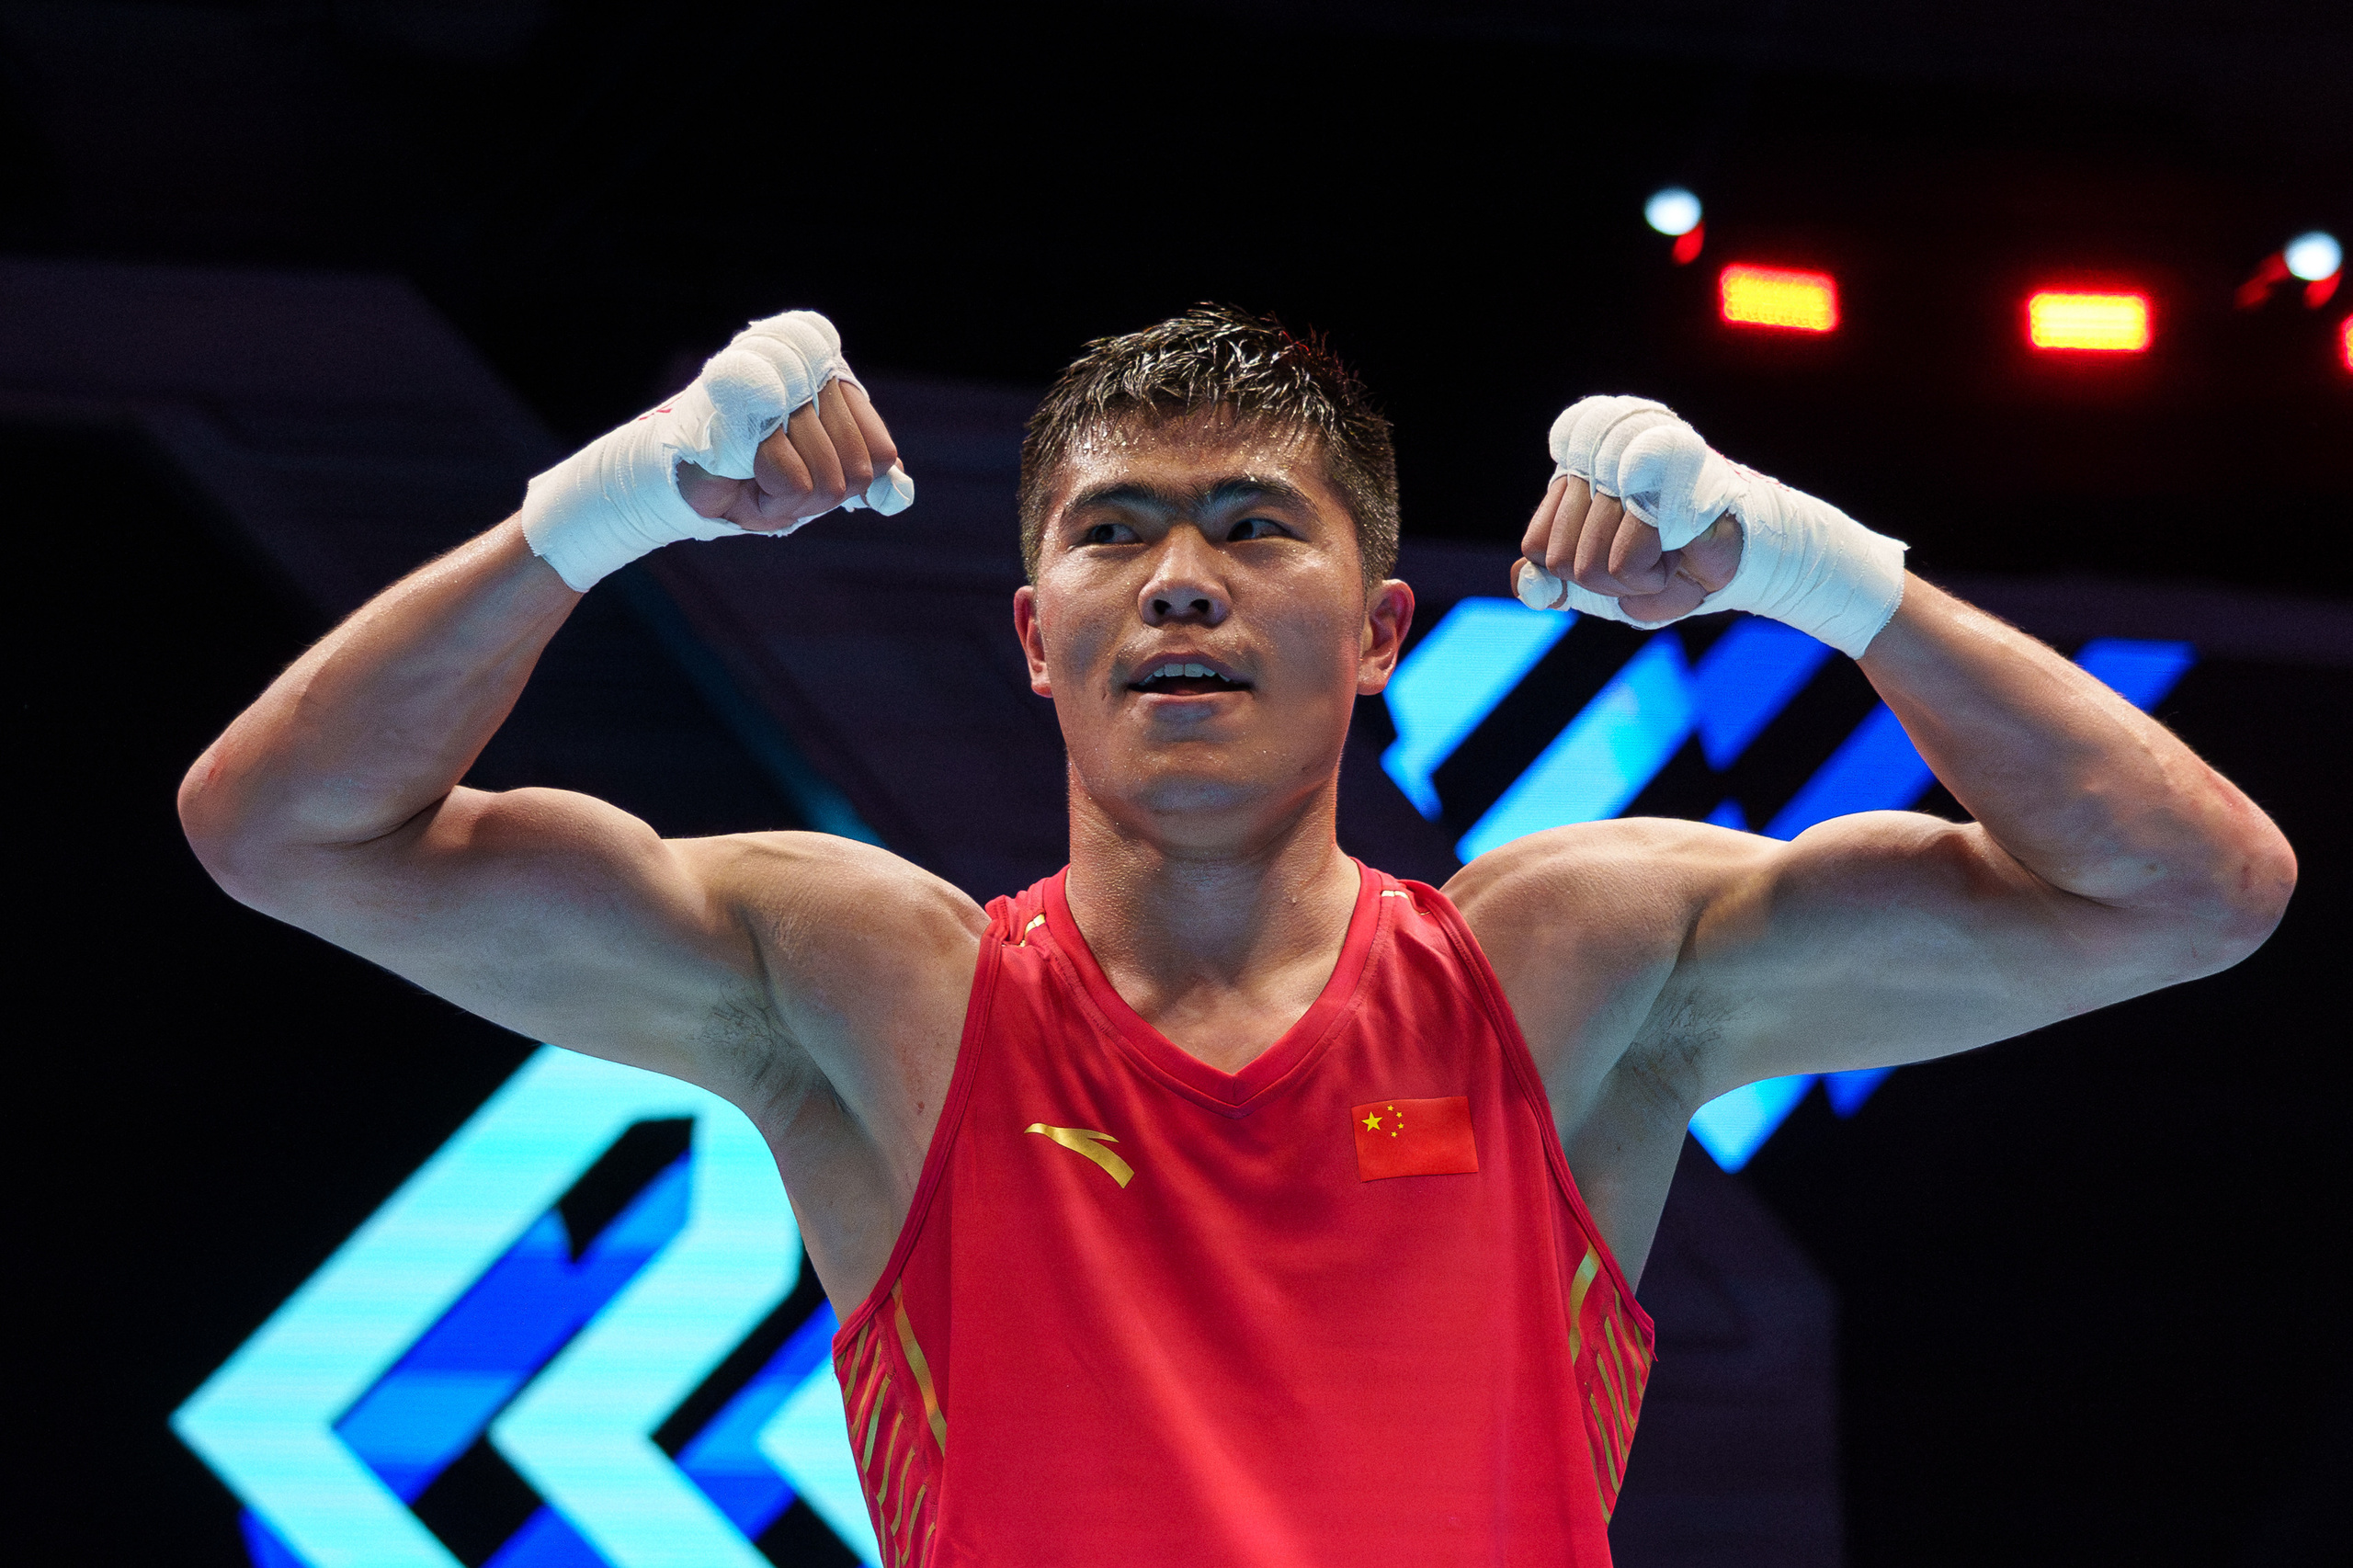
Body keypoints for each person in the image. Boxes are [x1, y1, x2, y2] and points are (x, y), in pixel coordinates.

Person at [179, 304, 2294, 1565]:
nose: (1177, 577)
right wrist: (614, 500)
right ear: (1032, 637)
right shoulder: (865, 981)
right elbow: (281, 833)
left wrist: (1814, 574)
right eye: (1113, 529)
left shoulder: (1570, 970)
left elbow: (2192, 886)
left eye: (1249, 525)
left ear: (1378, 633)